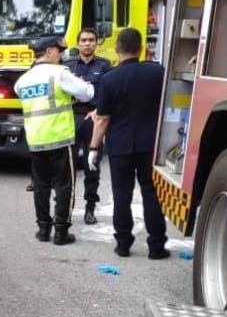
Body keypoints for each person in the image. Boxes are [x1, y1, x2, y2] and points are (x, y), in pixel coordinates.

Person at [88, 28, 169, 259]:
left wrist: (94, 148)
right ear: (142, 48)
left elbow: (102, 118)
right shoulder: (157, 72)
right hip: (150, 145)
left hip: (120, 146)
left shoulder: (109, 78)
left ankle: (123, 244)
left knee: (121, 194)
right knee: (151, 193)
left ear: (116, 49)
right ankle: (156, 246)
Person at [14, 35, 94, 245]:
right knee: (64, 185)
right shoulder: (59, 73)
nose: (60, 56)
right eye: (59, 52)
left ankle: (43, 229)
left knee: (40, 186)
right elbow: (87, 93)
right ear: (49, 51)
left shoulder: (23, 80)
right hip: (59, 138)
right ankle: (61, 232)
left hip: (36, 139)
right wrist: (83, 86)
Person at [63, 28, 112, 224]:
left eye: (91, 40)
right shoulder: (66, 66)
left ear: (97, 43)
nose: (87, 43)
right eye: (83, 40)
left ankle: (90, 207)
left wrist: (98, 109)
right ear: (77, 44)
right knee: (68, 166)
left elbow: (109, 93)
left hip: (94, 119)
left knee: (92, 165)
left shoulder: (104, 65)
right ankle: (65, 208)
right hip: (71, 117)